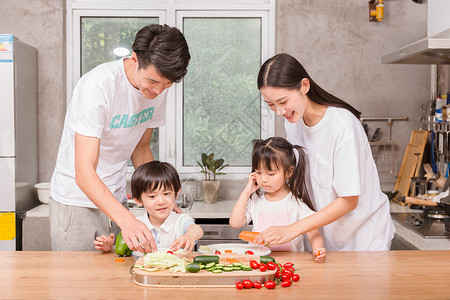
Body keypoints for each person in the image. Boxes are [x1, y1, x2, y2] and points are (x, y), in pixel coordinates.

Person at [49, 24, 191, 252]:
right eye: (153, 81)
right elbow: (84, 172)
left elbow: (141, 148)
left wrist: (158, 194)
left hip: (116, 198)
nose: (159, 91)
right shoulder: (97, 87)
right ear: (135, 58)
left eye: (167, 84)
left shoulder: (157, 91)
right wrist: (126, 220)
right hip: (76, 202)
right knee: (75, 284)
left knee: (117, 279)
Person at [254, 53, 395, 251]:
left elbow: (349, 200)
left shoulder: (342, 125)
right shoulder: (294, 124)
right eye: (271, 105)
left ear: (304, 85)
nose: (279, 111)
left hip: (363, 241)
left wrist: (292, 229)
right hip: (324, 238)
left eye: (283, 101)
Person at [230, 137, 326, 262]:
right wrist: (246, 192)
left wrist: (318, 249)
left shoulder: (296, 202)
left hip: (291, 263)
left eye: (271, 174)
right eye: (258, 172)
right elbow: (235, 223)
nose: (263, 179)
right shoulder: (255, 199)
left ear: (289, 172)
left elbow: (314, 234)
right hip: (259, 263)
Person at [94, 161, 203, 254]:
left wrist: (190, 235)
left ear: (176, 193)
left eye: (166, 194)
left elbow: (196, 229)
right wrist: (110, 248)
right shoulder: (135, 225)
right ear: (138, 200)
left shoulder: (180, 220)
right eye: (152, 196)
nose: (161, 201)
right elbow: (126, 251)